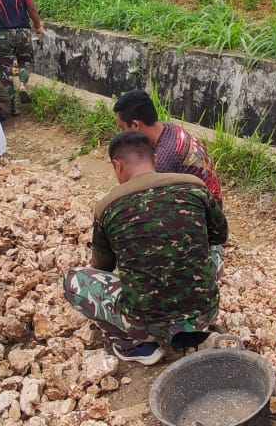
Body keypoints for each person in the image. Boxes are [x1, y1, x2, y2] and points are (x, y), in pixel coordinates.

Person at [63, 131, 228, 365]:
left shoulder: (107, 206)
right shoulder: (195, 187)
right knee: (214, 245)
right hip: (204, 313)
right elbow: (220, 235)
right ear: (156, 159)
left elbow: (103, 268)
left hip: (144, 324)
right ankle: (193, 322)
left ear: (117, 165)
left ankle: (135, 345)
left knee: (73, 279)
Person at [112, 89, 225, 275]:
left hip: (204, 226)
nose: (122, 136)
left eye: (123, 129)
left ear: (135, 125)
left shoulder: (163, 160)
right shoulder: (169, 130)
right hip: (210, 212)